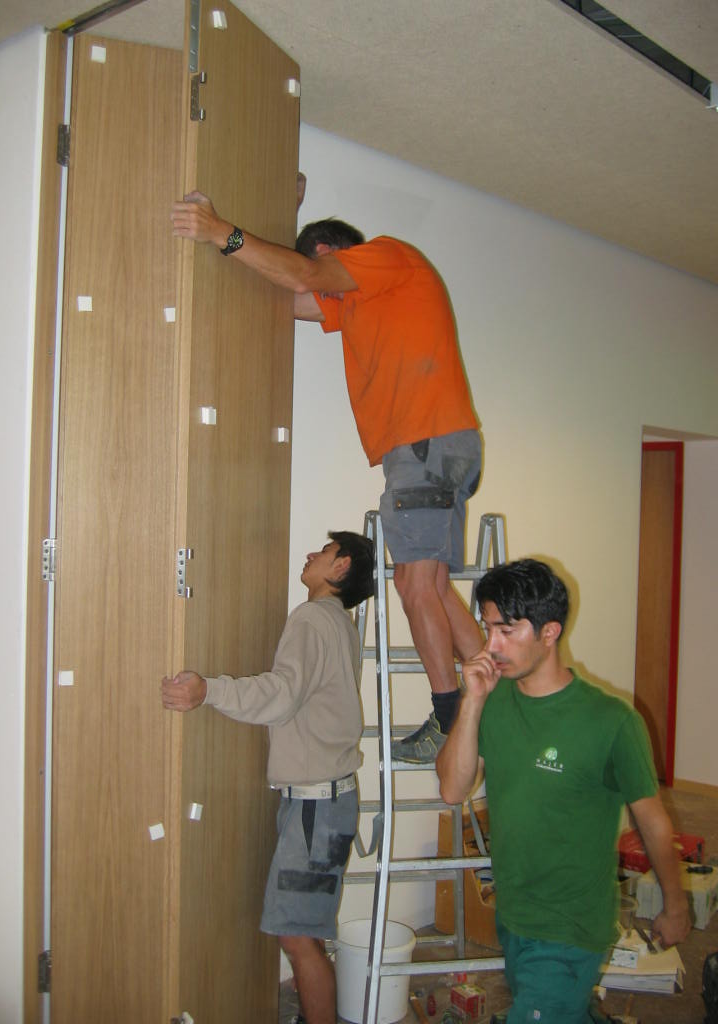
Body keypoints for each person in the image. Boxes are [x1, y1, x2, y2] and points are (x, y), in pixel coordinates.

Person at [171, 192, 483, 763]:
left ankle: (449, 717)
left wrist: (222, 232)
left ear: (328, 252)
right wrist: (273, 209)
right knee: (434, 587)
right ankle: (494, 694)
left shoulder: (385, 257)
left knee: (413, 586)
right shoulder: (358, 302)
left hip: (426, 442)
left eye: (324, 274)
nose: (326, 297)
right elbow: (288, 295)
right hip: (435, 444)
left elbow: (306, 276)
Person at [435, 558, 692, 1024]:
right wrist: (471, 700)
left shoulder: (611, 721)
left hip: (569, 926)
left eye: (507, 630)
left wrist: (676, 904)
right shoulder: (494, 699)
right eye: (488, 628)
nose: (491, 646)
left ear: (549, 632)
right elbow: (453, 789)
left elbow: (652, 821)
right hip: (514, 913)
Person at [161, 530, 374, 1024]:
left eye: (324, 551)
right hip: (324, 802)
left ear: (341, 567)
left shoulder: (312, 619)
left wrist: (208, 691)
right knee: (303, 933)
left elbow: (281, 694)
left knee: (297, 938)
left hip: (316, 808)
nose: (311, 554)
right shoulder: (339, 624)